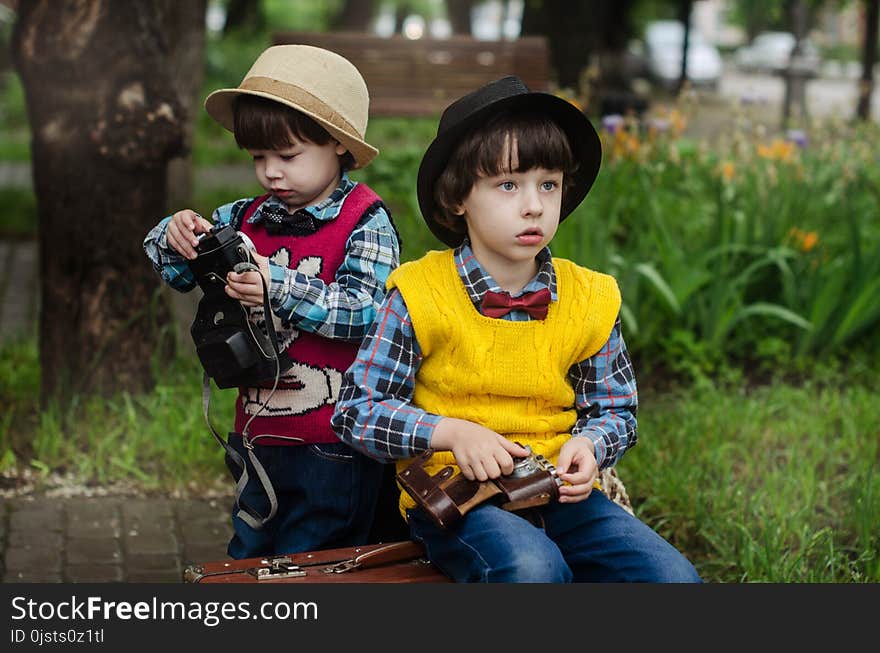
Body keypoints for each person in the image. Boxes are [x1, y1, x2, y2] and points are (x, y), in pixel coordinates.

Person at [332, 76, 701, 582]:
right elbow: (357, 410)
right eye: (508, 185)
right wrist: (450, 432)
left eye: (547, 184)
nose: (534, 205)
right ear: (458, 196)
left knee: (672, 578)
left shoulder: (588, 297)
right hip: (457, 496)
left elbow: (617, 408)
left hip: (556, 489)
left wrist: (590, 446)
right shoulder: (420, 293)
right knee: (533, 570)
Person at [144, 45, 400, 559]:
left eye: (287, 157)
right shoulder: (246, 217)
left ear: (339, 147)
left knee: (319, 560)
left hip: (335, 443)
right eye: (259, 158)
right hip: (258, 435)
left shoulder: (365, 222)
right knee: (251, 551)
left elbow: (368, 313)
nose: (271, 173)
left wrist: (276, 286)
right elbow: (170, 268)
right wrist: (175, 235)